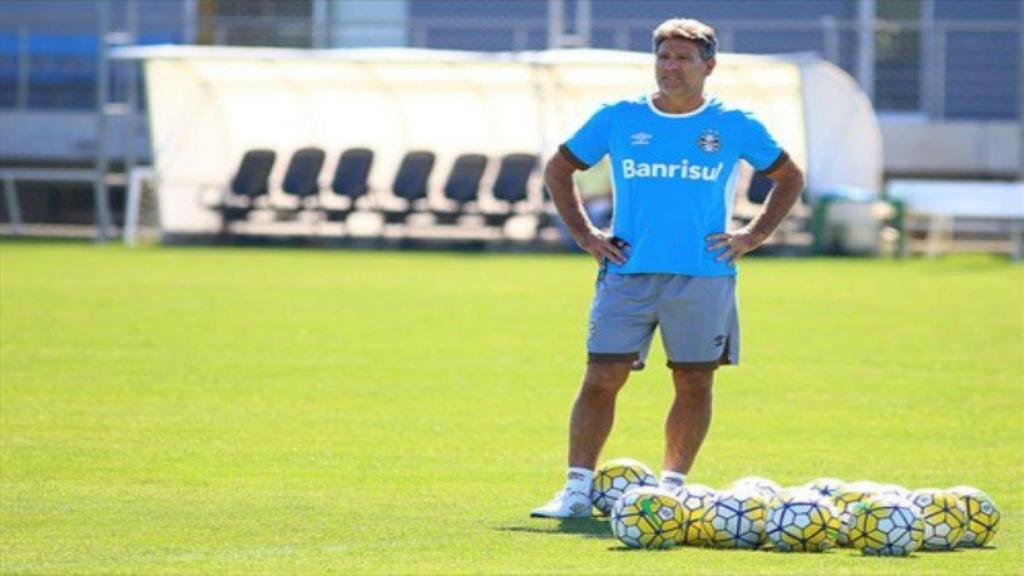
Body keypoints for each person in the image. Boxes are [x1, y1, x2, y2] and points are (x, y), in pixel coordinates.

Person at [531, 17, 805, 518]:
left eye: (683, 58)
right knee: (601, 376)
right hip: (627, 271)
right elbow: (559, 168)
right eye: (663, 57)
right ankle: (576, 490)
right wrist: (585, 235)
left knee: (694, 382)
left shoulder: (734, 123)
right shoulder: (619, 117)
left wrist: (753, 235)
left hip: (704, 275)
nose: (670, 67)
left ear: (709, 66)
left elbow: (789, 176)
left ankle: (672, 489)